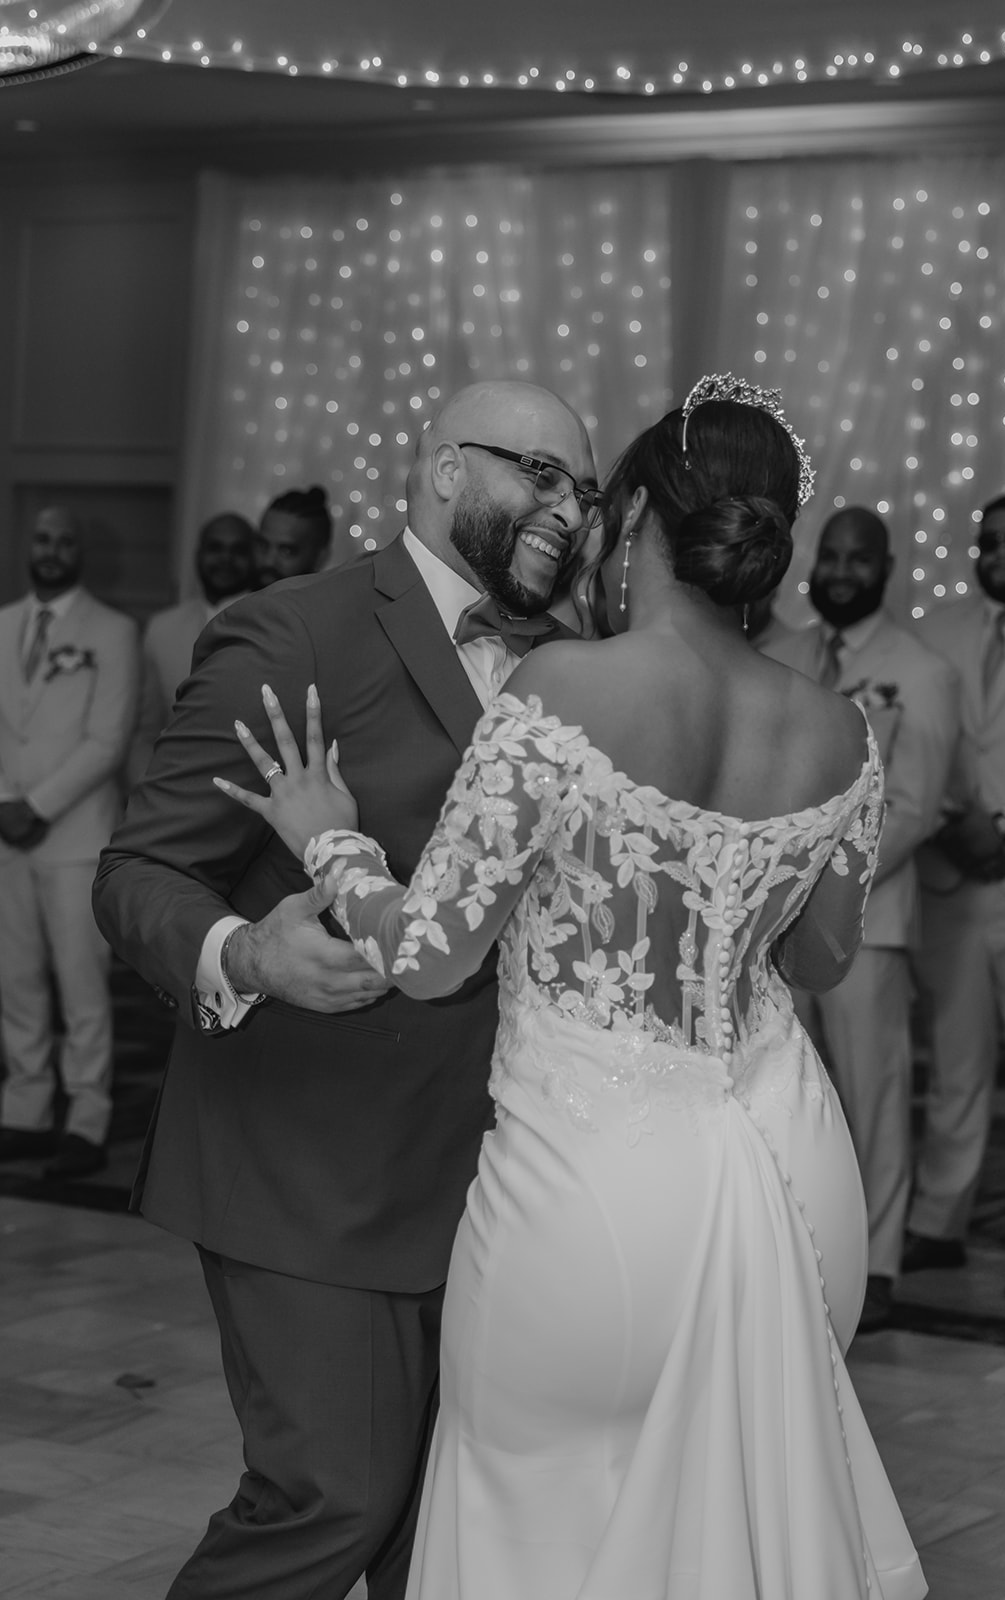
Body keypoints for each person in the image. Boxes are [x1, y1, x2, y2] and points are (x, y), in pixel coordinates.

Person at [220, 376, 926, 1600]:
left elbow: (432, 951)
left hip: (595, 1185)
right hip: (791, 1175)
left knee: (533, 1521)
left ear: (636, 514)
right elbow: (817, 959)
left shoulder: (563, 695)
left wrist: (332, 839)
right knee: (713, 1540)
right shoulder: (841, 731)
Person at [91, 380, 600, 1600]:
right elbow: (141, 868)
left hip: (508, 1174)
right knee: (331, 1499)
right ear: (439, 470)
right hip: (311, 1165)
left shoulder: (583, 663)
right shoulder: (294, 629)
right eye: (537, 473)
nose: (564, 509)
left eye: (580, 489)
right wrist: (248, 954)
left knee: (446, 1527)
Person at [763, 507, 960, 1332]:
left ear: (884, 568)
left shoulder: (919, 670)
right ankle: (790, 1250)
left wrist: (822, 876)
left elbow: (914, 807)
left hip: (868, 921)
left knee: (871, 1096)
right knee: (781, 1090)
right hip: (770, 923)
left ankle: (876, 1263)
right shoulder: (782, 655)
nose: (840, 572)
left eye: (858, 559)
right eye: (830, 557)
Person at [909, 493, 1005, 1300]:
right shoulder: (934, 631)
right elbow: (914, 740)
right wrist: (946, 823)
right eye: (990, 541)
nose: (1003, 552)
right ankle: (939, 1222)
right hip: (952, 878)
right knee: (955, 1059)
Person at [0, 506, 138, 1178]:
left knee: (81, 986)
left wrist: (38, 806)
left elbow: (108, 741)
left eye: (63, 540)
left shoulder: (112, 632)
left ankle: (87, 1115)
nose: (51, 549)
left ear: (81, 552)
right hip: (7, 838)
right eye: (42, 538)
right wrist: (6, 805)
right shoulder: (0, 626)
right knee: (15, 982)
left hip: (75, 834)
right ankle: (24, 1108)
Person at [128, 512, 254, 783]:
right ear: (198, 555)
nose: (225, 559)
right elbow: (146, 726)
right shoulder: (161, 627)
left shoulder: (271, 622)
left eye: (238, 550)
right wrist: (144, 785)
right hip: (172, 784)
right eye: (215, 548)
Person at [253, 483, 334, 588]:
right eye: (263, 546)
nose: (268, 562)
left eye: (286, 552)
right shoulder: (232, 604)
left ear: (320, 558)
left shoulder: (333, 604)